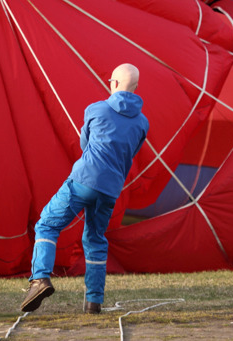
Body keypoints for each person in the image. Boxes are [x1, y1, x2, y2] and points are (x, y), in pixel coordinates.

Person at [20, 63, 149, 314]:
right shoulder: (142, 123)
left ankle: (40, 279)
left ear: (113, 83)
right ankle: (93, 302)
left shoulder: (96, 109)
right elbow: (130, 153)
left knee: (47, 224)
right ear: (135, 88)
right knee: (95, 240)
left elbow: (84, 143)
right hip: (110, 189)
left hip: (84, 179)